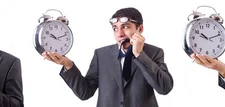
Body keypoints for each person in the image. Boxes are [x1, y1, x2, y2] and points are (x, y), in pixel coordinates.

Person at [42, 7, 174, 107]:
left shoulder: (154, 53)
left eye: (125, 27)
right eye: (115, 28)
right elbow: (85, 93)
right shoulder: (101, 55)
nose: (120, 33)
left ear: (140, 29)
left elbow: (164, 88)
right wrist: (68, 65)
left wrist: (140, 54)